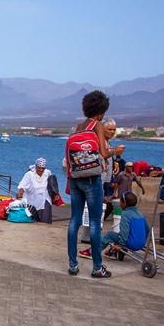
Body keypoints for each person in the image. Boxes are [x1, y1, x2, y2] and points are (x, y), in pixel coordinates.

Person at [67, 90, 114, 278]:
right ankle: (97, 268)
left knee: (74, 221)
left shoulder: (79, 127)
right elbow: (104, 153)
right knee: (95, 222)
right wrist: (116, 151)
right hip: (92, 179)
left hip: (75, 177)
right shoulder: (98, 125)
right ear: (101, 111)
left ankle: (72, 265)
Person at [16, 158, 53, 224]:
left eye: (43, 168)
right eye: (39, 168)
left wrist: (55, 194)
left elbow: (52, 183)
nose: (41, 170)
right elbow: (22, 185)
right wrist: (20, 193)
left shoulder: (47, 173)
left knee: (45, 221)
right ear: (36, 166)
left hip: (45, 198)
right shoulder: (29, 174)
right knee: (33, 221)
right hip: (32, 201)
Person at [102, 118, 118, 221]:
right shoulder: (101, 143)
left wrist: (114, 162)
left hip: (107, 180)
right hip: (101, 181)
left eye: (114, 130)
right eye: (109, 129)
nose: (112, 132)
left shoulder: (108, 143)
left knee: (108, 205)